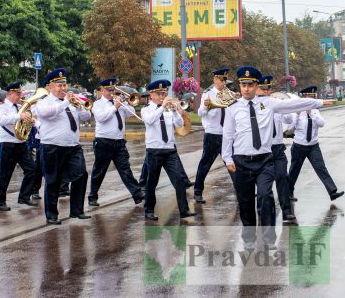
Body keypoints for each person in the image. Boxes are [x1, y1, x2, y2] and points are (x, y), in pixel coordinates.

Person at [222, 66, 334, 249]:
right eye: (243, 85)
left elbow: (294, 105)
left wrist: (319, 103)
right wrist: (228, 159)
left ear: (257, 86)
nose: (247, 88)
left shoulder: (268, 103)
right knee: (246, 201)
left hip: (264, 159)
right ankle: (249, 238)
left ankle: (267, 238)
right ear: (240, 86)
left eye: (250, 85)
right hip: (241, 160)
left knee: (266, 196)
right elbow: (227, 135)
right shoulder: (232, 109)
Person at [32, 68, 92, 225]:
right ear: (50, 87)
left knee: (81, 175)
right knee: (53, 180)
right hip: (52, 147)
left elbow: (87, 116)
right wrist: (66, 102)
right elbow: (48, 114)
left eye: (65, 85)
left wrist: (79, 106)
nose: (64, 88)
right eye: (59, 85)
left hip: (73, 146)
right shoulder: (43, 102)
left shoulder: (71, 102)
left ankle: (77, 210)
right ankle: (51, 214)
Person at [141, 79, 196, 221]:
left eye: (164, 93)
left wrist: (177, 111)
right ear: (151, 95)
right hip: (154, 151)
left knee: (179, 180)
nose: (162, 96)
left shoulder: (168, 110)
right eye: (159, 94)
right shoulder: (146, 110)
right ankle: (148, 210)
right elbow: (150, 121)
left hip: (170, 151)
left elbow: (179, 124)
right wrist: (162, 107)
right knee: (151, 182)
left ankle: (184, 210)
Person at [88, 78, 144, 207]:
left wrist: (126, 102)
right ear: (102, 90)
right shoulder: (98, 104)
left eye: (113, 90)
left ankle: (137, 194)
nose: (111, 92)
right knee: (99, 171)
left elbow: (132, 113)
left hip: (119, 142)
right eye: (108, 90)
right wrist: (114, 107)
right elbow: (101, 118)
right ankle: (92, 196)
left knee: (125, 169)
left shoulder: (118, 102)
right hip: (103, 142)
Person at [288, 86, 344, 203]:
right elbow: (291, 128)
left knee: (321, 168)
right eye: (309, 97)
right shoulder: (296, 110)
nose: (312, 99)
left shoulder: (315, 110)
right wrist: (298, 115)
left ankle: (332, 191)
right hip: (299, 145)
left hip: (313, 145)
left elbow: (322, 123)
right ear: (304, 98)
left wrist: (311, 114)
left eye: (313, 97)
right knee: (294, 170)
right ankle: (288, 193)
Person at [256, 75, 296, 222]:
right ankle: (261, 209)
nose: (266, 91)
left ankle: (286, 211)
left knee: (282, 178)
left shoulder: (276, 104)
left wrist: (282, 109)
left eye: (268, 89)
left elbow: (290, 120)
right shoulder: (255, 105)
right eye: (263, 88)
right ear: (258, 89)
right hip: (263, 148)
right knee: (263, 184)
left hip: (278, 147)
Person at [193, 68, 236, 204]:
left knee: (233, 164)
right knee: (205, 165)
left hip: (226, 135)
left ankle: (241, 190)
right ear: (215, 80)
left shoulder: (229, 94)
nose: (224, 83)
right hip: (212, 134)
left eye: (225, 80)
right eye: (222, 80)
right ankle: (198, 192)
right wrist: (206, 106)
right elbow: (200, 114)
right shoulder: (208, 95)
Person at [0, 82, 38, 211]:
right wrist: (19, 116)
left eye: (20, 93)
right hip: (7, 144)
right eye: (18, 94)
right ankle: (1, 202)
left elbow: (26, 120)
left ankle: (24, 196)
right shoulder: (0, 106)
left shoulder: (20, 107)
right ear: (11, 94)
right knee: (5, 174)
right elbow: (2, 120)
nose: (20, 96)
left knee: (32, 169)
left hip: (21, 144)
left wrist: (30, 119)